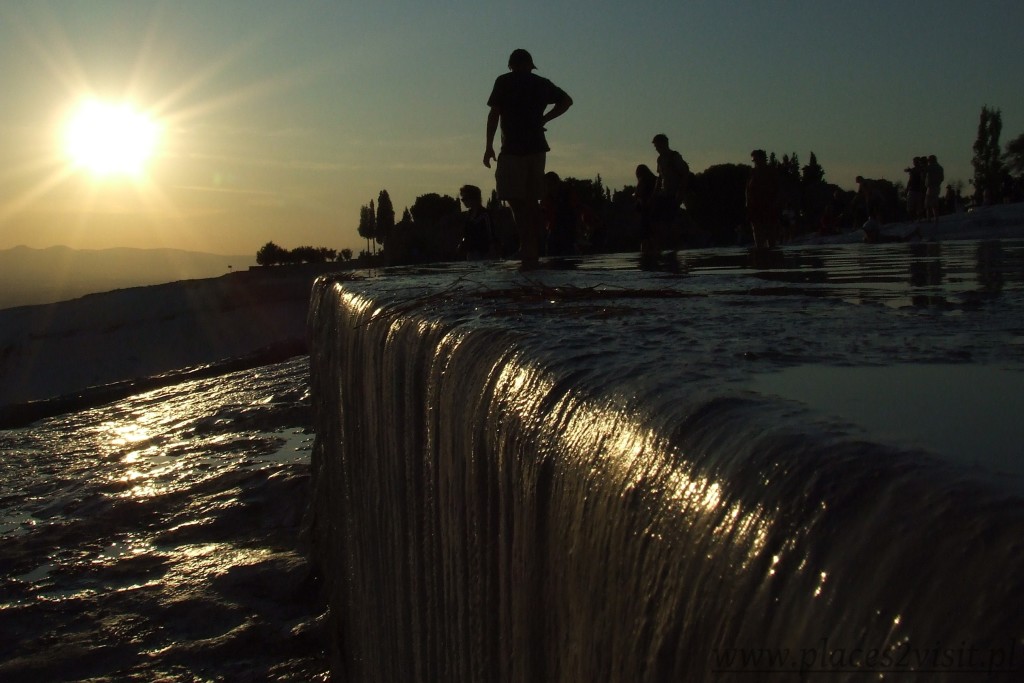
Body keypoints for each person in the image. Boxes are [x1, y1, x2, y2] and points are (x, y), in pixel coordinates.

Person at [484, 49, 573, 268]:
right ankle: (533, 246)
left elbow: (494, 114)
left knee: (515, 199)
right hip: (536, 148)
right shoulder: (541, 83)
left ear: (511, 65)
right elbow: (566, 101)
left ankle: (528, 246)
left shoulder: (504, 81)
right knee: (531, 200)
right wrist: (545, 118)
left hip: (513, 149)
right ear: (529, 65)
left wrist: (488, 146)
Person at [746, 149, 780, 247]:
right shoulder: (752, 173)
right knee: (758, 235)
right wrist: (748, 206)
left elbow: (778, 189)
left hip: (769, 208)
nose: (755, 162)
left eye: (756, 160)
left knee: (771, 236)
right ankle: (760, 256)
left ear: (763, 159)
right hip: (755, 209)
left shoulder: (771, 172)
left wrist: (776, 206)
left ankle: (772, 258)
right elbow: (747, 191)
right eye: (754, 160)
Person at [457, 184, 494, 260]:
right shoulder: (468, 215)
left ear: (473, 198)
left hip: (484, 253)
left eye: (465, 198)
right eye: (462, 199)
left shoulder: (485, 215)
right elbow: (466, 233)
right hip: (471, 253)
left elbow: (491, 233)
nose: (463, 201)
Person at [924, 155, 944, 224]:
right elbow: (942, 178)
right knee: (934, 203)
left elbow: (924, 170)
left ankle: (929, 219)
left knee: (928, 204)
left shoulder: (930, 167)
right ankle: (936, 218)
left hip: (931, 187)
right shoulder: (940, 167)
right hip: (937, 186)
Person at [905, 156, 926, 221]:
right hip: (915, 189)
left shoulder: (920, 169)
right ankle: (915, 219)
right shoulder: (917, 169)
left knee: (915, 206)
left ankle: (916, 219)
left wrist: (907, 188)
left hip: (916, 190)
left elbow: (911, 180)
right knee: (914, 206)